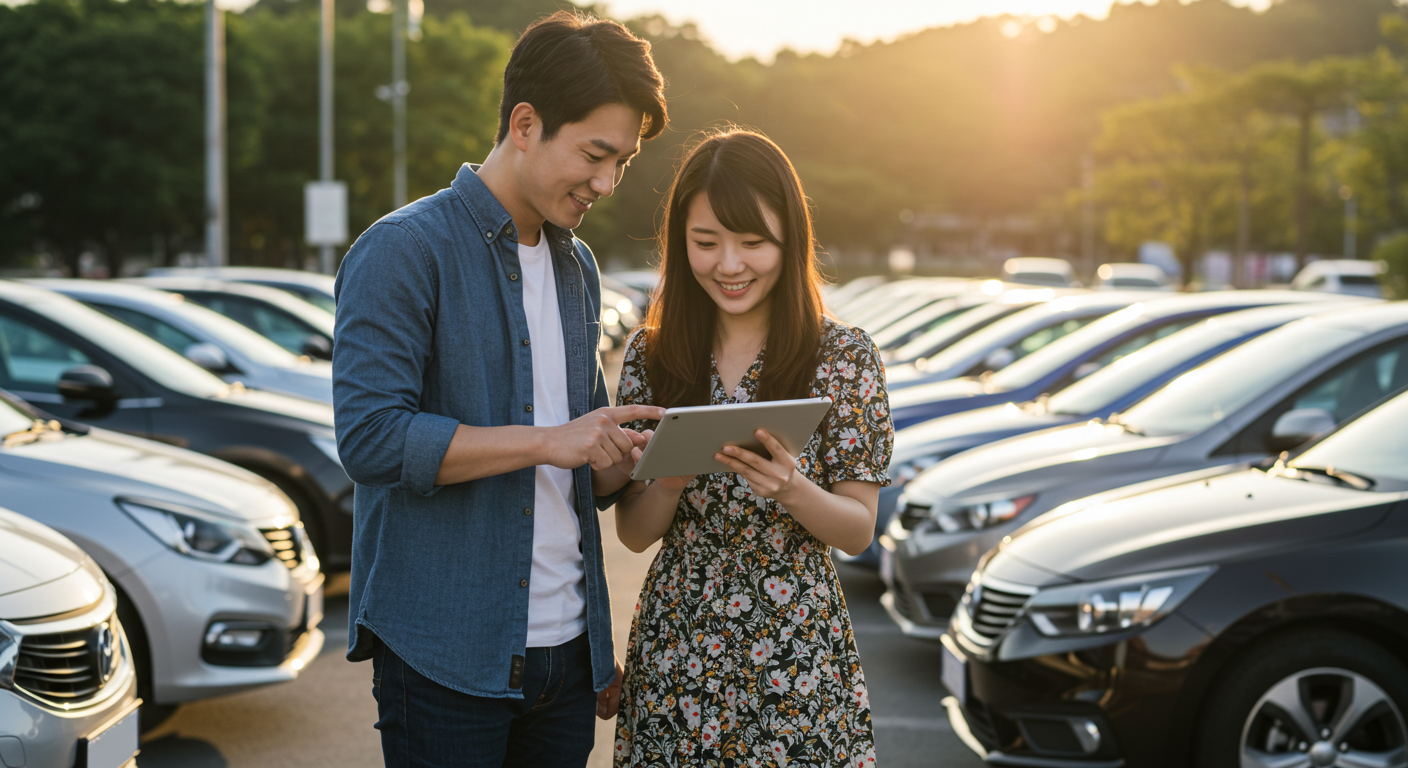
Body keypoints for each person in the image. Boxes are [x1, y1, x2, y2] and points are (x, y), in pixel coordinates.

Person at [332, 12, 668, 767]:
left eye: (622, 161)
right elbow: (371, 441)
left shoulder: (578, 266)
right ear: (524, 124)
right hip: (446, 657)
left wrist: (642, 455)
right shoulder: (402, 250)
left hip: (569, 656)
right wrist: (551, 441)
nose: (607, 183)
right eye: (594, 154)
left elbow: (584, 470)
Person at [610, 130, 893, 768]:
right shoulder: (653, 353)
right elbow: (632, 533)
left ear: (790, 239)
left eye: (752, 242)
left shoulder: (844, 356)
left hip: (798, 652)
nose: (729, 265)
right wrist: (669, 484)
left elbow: (857, 531)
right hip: (680, 646)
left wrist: (792, 488)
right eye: (706, 242)